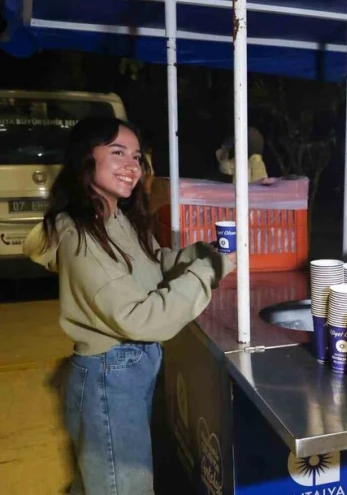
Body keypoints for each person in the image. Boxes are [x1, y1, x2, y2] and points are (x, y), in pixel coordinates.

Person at [23, 117, 235, 494]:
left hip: (130, 367)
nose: (132, 166)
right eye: (118, 152)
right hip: (110, 375)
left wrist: (203, 255)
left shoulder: (115, 216)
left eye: (137, 156)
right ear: (85, 158)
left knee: (108, 483)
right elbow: (141, 318)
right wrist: (205, 272)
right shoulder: (80, 236)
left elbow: (153, 264)